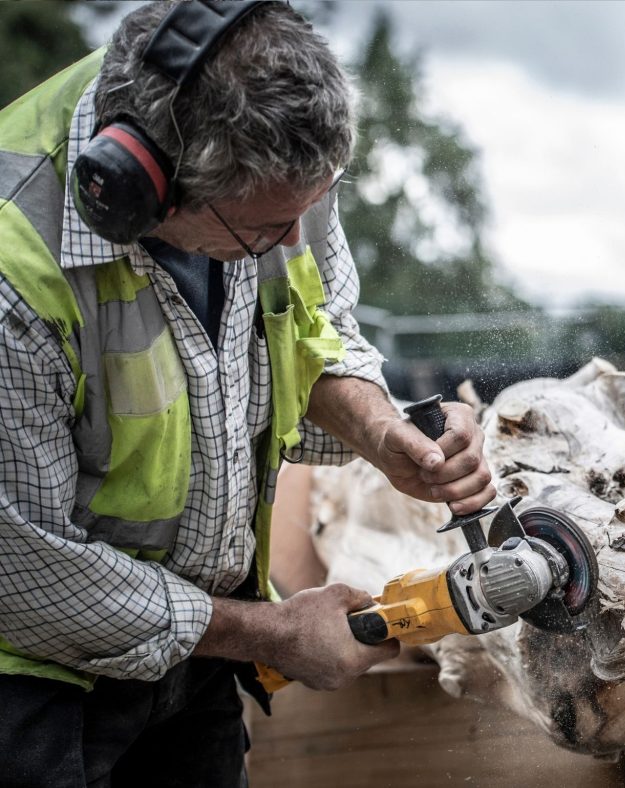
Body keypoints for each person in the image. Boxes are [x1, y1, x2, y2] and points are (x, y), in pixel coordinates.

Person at [0, 2, 495, 786]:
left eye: (312, 207)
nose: (296, 242)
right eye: (266, 230)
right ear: (145, 188)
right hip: (31, 684)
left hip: (196, 656)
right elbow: (26, 574)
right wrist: (270, 632)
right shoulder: (12, 274)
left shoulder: (271, 166)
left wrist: (380, 431)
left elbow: (315, 326)